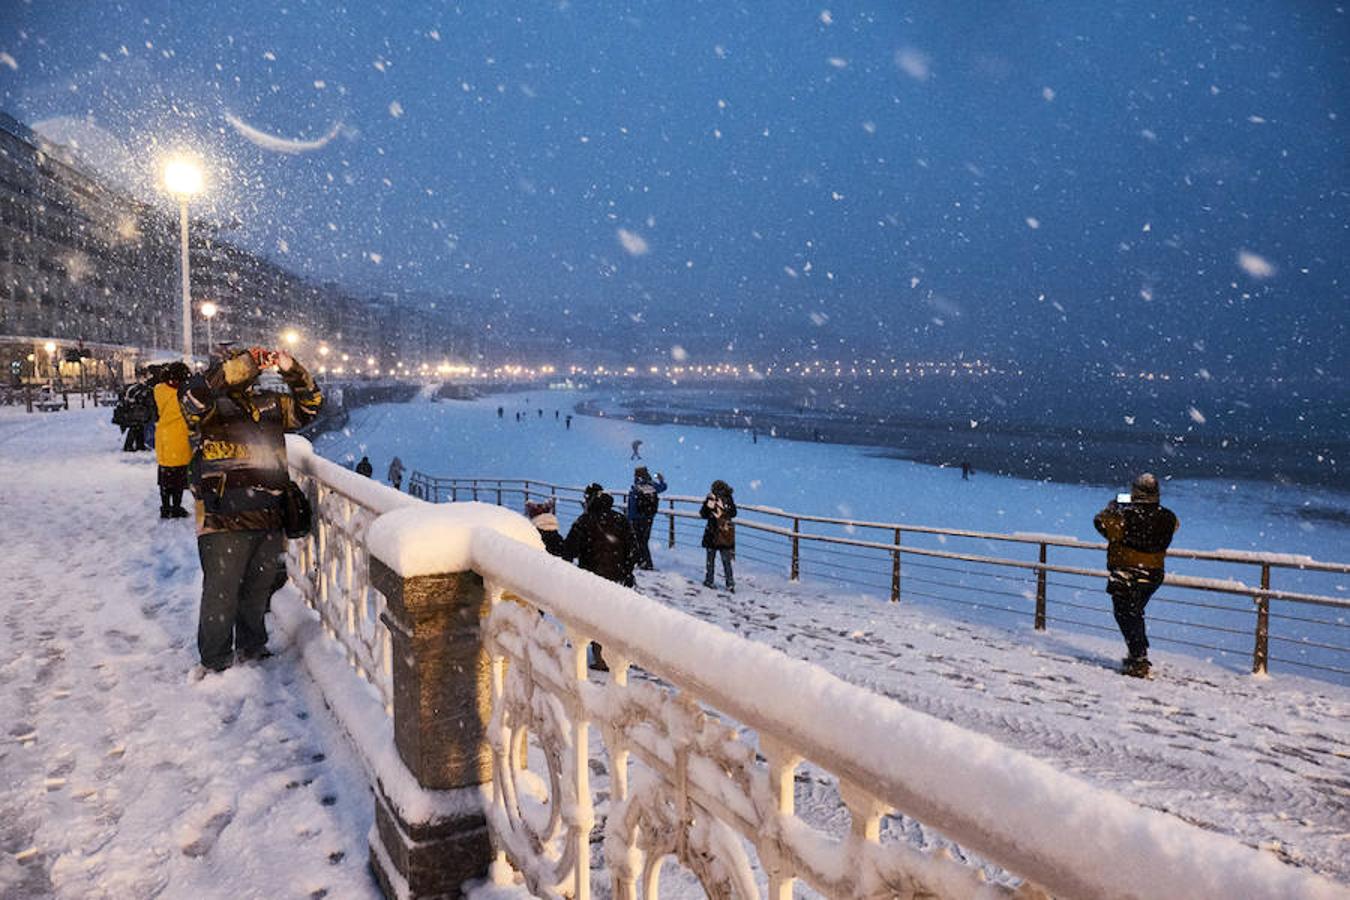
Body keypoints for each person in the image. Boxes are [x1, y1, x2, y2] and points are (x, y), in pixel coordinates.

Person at [181, 346, 322, 673]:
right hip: (222, 516)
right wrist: (241, 365)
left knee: (258, 589)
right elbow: (192, 400)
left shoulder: (269, 403)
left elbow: (311, 406)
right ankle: (215, 660)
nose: (249, 369)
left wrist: (291, 369)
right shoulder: (209, 404)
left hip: (269, 511)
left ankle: (252, 645)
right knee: (221, 591)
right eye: (239, 364)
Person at [1093, 473, 1179, 678]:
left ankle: (1138, 658)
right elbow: (1174, 527)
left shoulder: (1124, 516)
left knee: (1125, 614)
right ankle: (1138, 654)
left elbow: (1101, 524)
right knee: (1134, 613)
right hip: (1154, 574)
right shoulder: (1169, 516)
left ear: (1136, 492)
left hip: (1127, 572)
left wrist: (1112, 508)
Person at [561, 483, 638, 671]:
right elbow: (634, 549)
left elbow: (568, 551)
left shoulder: (584, 521)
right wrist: (626, 571)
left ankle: (602, 658)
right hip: (618, 579)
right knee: (613, 619)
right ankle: (615, 656)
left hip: (592, 579)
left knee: (595, 618)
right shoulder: (620, 519)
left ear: (589, 500)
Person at [153, 362, 192, 518]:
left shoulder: (159, 390)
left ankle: (165, 507)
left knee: (165, 476)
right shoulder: (182, 395)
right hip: (180, 437)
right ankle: (176, 507)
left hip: (163, 437)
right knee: (178, 479)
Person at [626, 466, 667, 571]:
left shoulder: (637, 487)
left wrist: (629, 518)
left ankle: (643, 562)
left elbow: (633, 504)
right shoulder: (652, 485)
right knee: (644, 540)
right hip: (649, 517)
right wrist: (661, 480)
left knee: (638, 540)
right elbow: (663, 487)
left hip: (636, 518)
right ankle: (645, 562)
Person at [700, 480, 737, 592]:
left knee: (710, 560)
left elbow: (703, 514)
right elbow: (734, 513)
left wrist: (709, 506)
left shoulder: (711, 497)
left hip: (712, 532)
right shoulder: (728, 498)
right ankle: (730, 584)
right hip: (725, 532)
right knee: (726, 561)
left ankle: (709, 580)